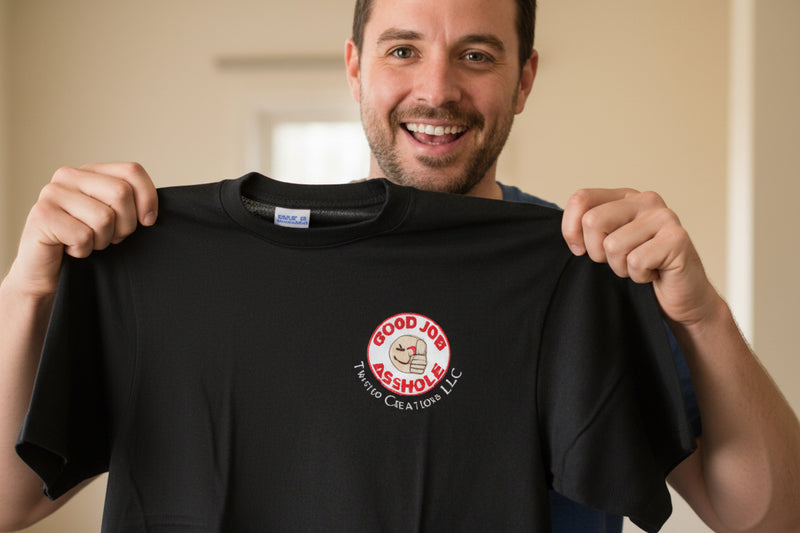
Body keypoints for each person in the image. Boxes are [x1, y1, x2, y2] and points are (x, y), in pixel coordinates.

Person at [1, 0, 798, 530]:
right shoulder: (161, 267)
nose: (436, 88)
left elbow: (773, 517)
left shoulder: (580, 273)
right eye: (403, 49)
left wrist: (701, 315)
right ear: (355, 67)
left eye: (476, 54)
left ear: (523, 80)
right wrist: (29, 284)